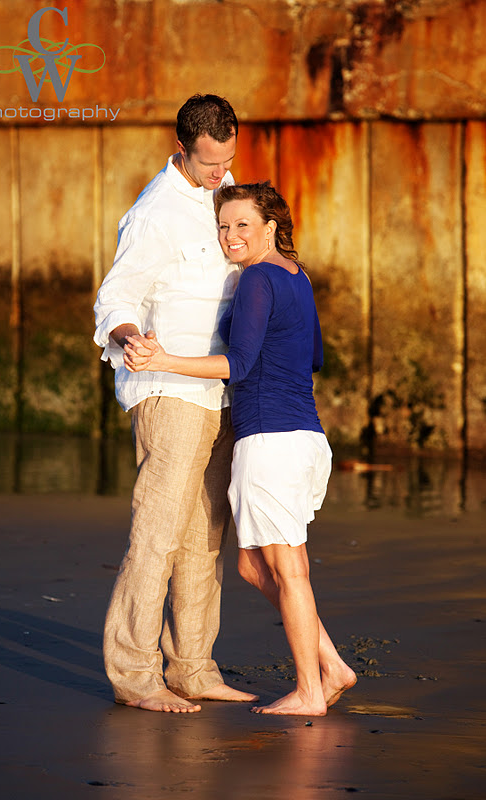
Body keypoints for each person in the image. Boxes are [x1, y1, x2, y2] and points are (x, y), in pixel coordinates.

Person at [125, 181, 357, 715]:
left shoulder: (255, 278)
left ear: (271, 227)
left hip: (270, 440)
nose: (230, 236)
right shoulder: (297, 278)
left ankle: (309, 690)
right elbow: (314, 354)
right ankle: (333, 664)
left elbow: (239, 366)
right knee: (255, 567)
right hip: (304, 438)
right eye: (223, 225)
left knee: (290, 569)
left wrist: (163, 359)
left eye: (242, 225)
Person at [93, 94, 259, 713]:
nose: (221, 175)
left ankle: (192, 666)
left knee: (203, 537)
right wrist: (130, 338)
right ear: (182, 146)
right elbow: (114, 299)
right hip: (167, 390)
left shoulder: (226, 192)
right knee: (157, 536)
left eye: (229, 161)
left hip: (219, 387)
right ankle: (134, 674)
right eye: (211, 164)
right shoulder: (153, 212)